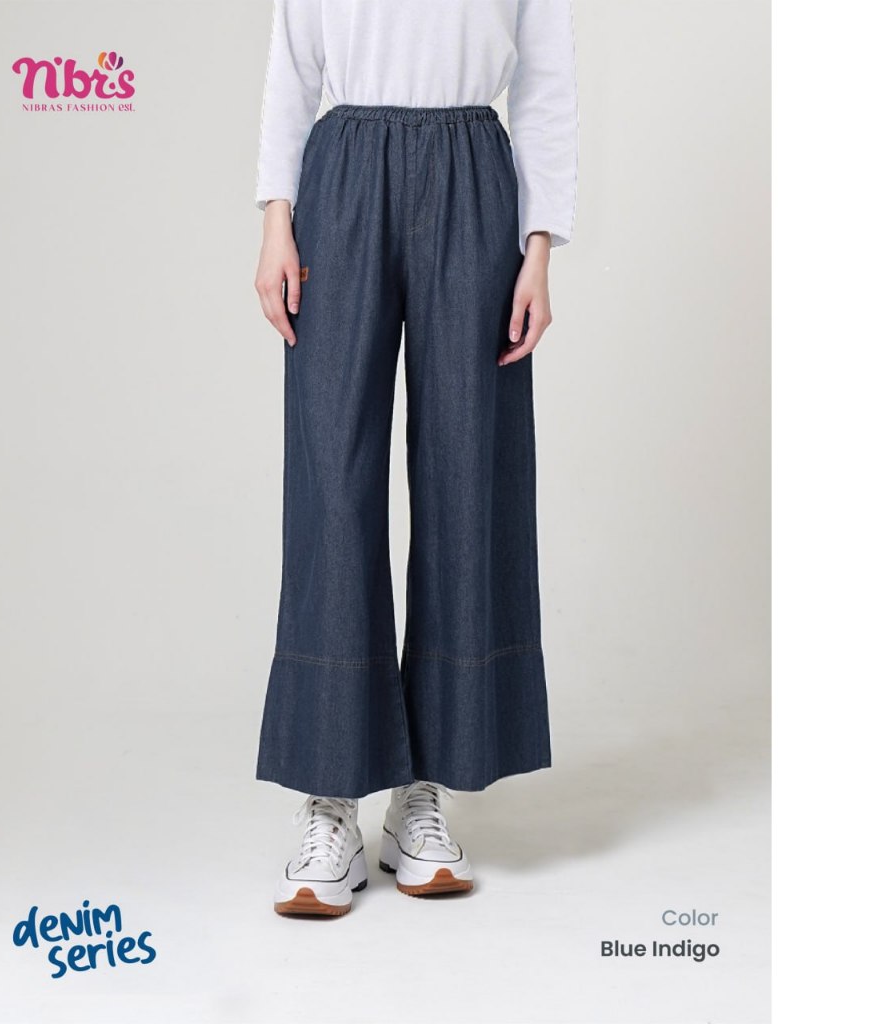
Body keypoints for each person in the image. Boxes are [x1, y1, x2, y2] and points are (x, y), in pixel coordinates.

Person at [253, 0, 578, 917]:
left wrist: (539, 248)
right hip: (345, 172)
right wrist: (276, 219)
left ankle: (421, 793)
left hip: (474, 174)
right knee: (332, 480)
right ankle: (330, 799)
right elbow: (293, 63)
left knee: (467, 478)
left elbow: (547, 84)